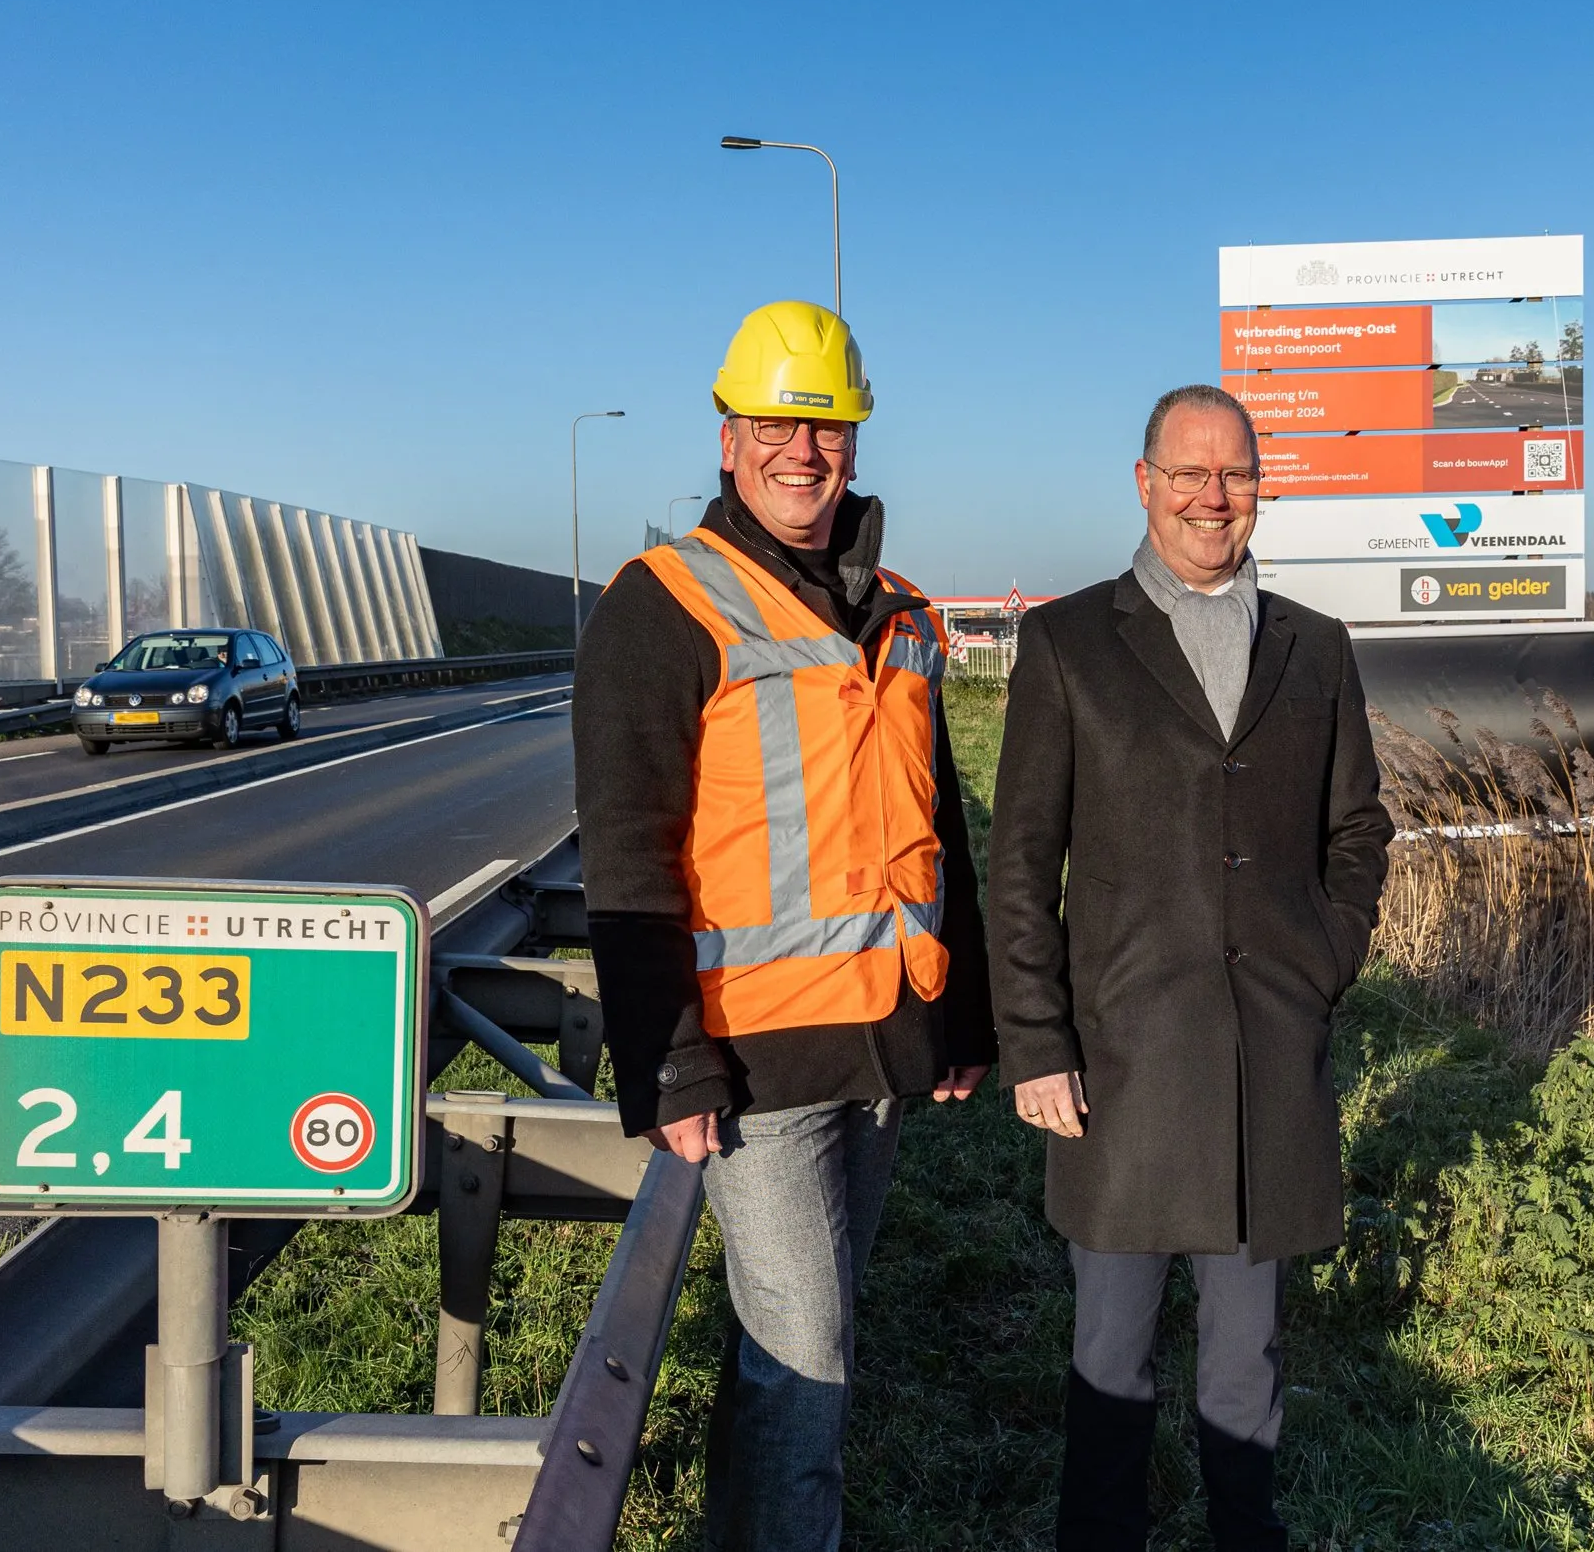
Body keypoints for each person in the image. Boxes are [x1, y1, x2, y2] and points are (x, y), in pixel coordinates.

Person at [574, 300, 994, 1552]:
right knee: (804, 1359)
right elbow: (627, 847)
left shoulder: (903, 611)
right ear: (726, 435)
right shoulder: (664, 604)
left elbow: (940, 829)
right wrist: (669, 1058)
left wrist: (962, 1013)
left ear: (854, 441)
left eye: (826, 425)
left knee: (812, 1348)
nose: (800, 450)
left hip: (879, 1046)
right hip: (752, 1058)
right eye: (774, 423)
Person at [988, 384, 1394, 1551]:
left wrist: (1326, 956)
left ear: (1261, 484)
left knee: (1245, 1370)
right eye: (1189, 473)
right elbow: (1021, 859)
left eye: (1237, 474)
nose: (1213, 497)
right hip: (1118, 1070)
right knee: (1109, 1363)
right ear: (1145, 482)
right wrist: (1036, 1041)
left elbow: (1356, 829)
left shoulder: (1314, 646)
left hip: (1268, 1061)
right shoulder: (1068, 641)